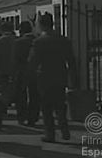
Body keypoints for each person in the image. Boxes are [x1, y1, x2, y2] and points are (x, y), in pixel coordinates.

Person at [28, 13, 78, 143]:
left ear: (41, 25)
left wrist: (31, 75)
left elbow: (33, 61)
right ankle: (64, 129)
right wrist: (73, 78)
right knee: (60, 105)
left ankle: (50, 134)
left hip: (44, 77)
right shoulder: (63, 40)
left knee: (46, 107)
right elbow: (71, 60)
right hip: (60, 75)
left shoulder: (39, 42)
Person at [13, 20, 40, 126]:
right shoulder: (37, 40)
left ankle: (21, 116)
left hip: (22, 71)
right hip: (35, 72)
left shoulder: (18, 42)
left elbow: (15, 60)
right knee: (35, 95)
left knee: (20, 95)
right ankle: (33, 117)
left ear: (20, 30)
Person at [0, 21, 17, 104]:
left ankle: (5, 104)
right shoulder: (17, 39)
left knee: (4, 89)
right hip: (16, 68)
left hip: (3, 69)